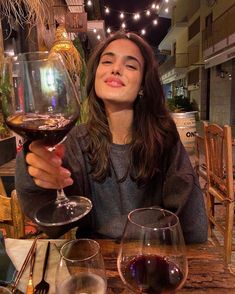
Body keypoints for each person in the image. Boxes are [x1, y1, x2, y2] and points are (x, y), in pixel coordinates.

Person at [15, 31, 208, 243]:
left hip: (152, 259)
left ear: (143, 84)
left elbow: (193, 229)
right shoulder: (76, 141)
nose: (116, 69)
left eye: (131, 65)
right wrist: (37, 169)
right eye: (107, 61)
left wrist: (118, 230)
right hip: (93, 263)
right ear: (96, 74)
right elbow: (53, 224)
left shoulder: (165, 140)